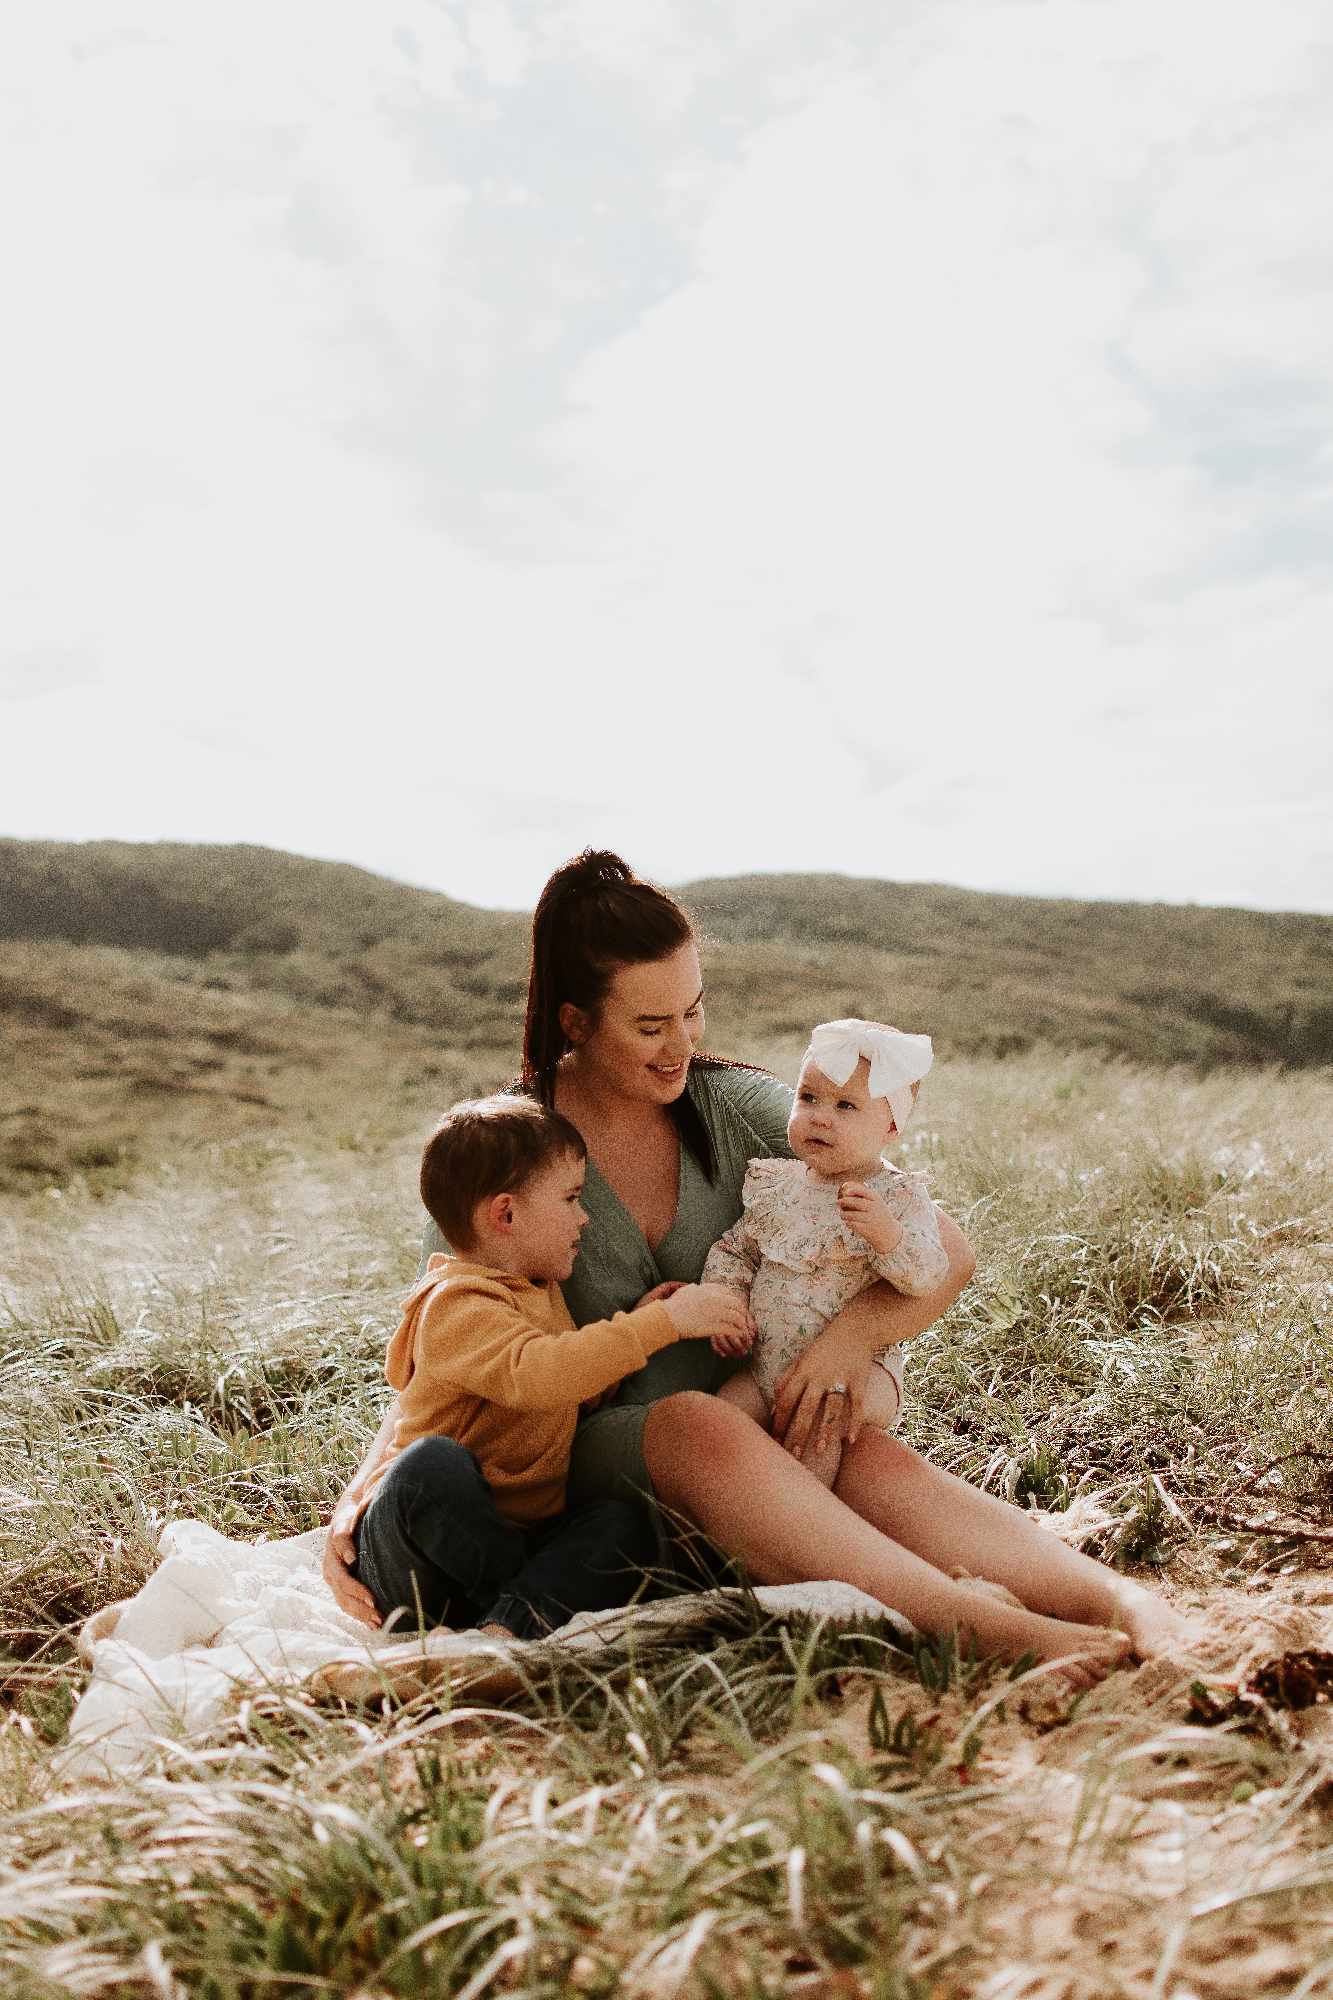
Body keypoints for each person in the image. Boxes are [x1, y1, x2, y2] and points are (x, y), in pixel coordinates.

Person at [325, 850, 1187, 1682]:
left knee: (858, 1449)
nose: (680, 1044)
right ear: (575, 1022)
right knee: (697, 1423)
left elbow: (944, 1248)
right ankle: (984, 1631)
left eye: (692, 1011)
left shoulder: (731, 1105)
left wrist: (842, 1350)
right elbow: (448, 1341)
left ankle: (1123, 1605)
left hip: (766, 1436)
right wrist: (359, 1496)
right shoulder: (514, 1148)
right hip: (604, 1473)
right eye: (651, 1025)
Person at [351, 1093, 753, 1640]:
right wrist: (665, 1324)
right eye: (570, 1198)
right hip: (413, 1555)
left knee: (619, 1524)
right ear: (507, 1213)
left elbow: (571, 1388)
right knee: (431, 1466)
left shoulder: (538, 1289)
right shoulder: (457, 1304)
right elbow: (539, 1375)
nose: (584, 1217)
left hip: (505, 1543)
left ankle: (503, 1628)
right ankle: (518, 1607)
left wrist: (638, 1320)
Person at [704, 1018, 948, 1491]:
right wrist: (725, 1302)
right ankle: (719, 1524)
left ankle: (810, 1525)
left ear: (890, 1126)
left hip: (855, 1370)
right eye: (808, 1098)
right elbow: (736, 1250)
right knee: (720, 1425)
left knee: (817, 1436)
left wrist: (888, 1236)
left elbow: (928, 1277)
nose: (819, 1116)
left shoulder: (895, 1199)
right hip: (765, 1367)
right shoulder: (780, 1187)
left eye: (846, 1106)